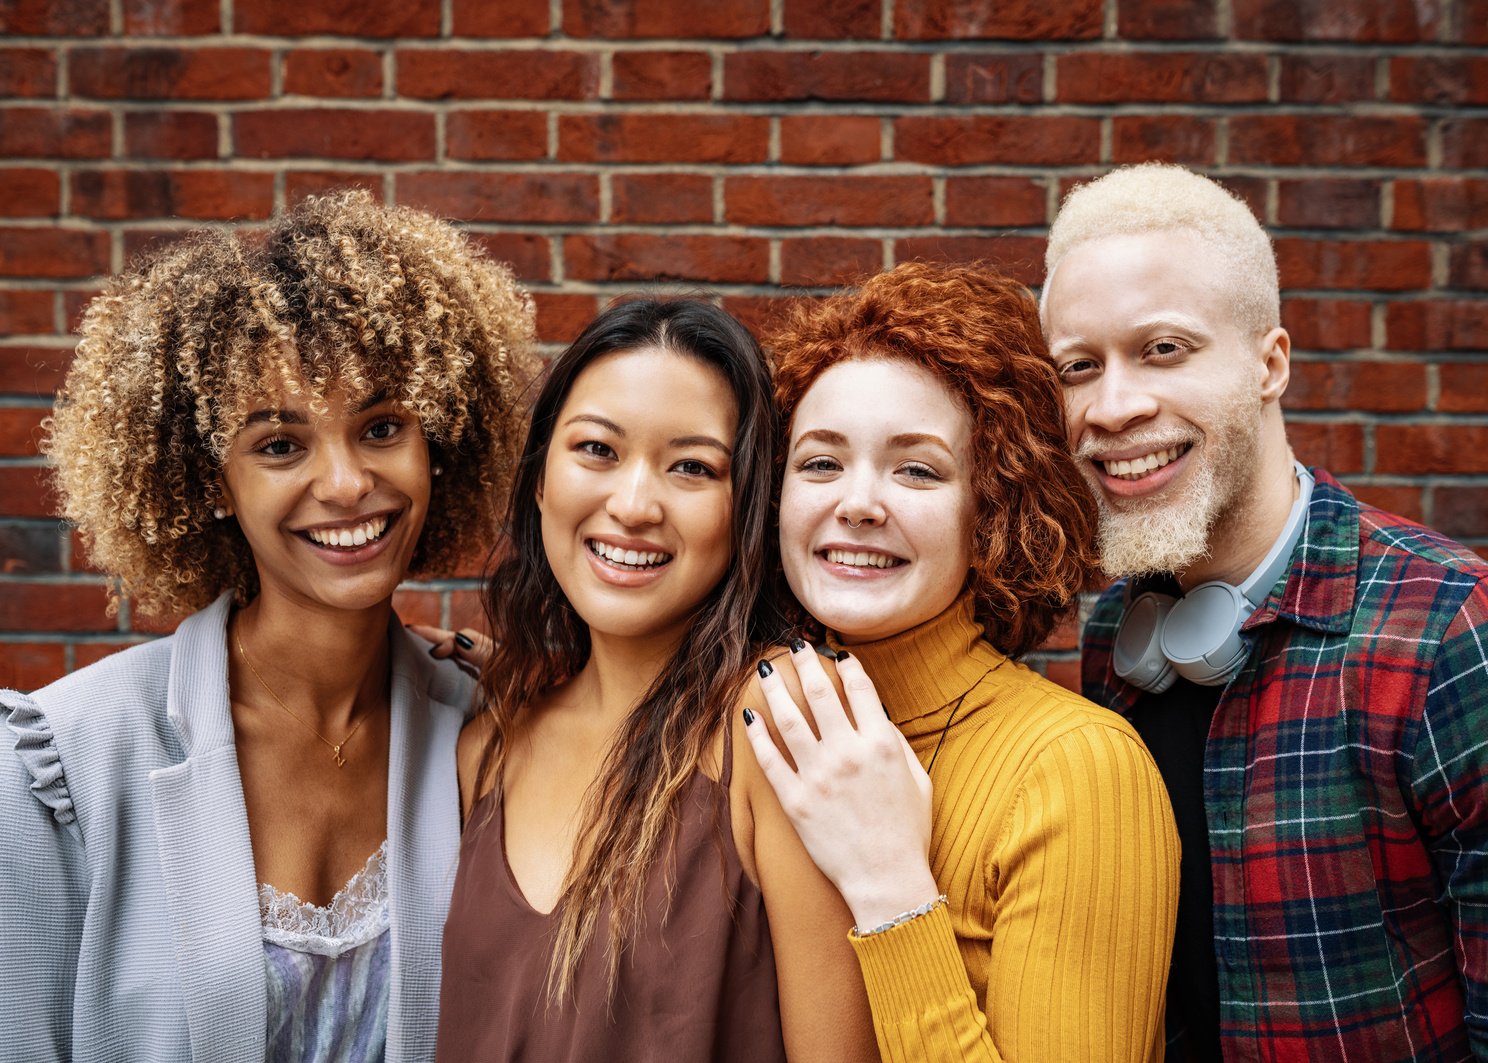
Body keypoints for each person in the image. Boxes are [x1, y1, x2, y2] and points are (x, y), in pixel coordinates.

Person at [0, 189, 532, 1063]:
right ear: (212, 480)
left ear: (436, 440)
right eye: (281, 444)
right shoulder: (61, 767)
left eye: (382, 425)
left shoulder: (492, 731)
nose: (350, 482)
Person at [1041, 162, 1488, 1061]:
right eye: (1079, 366)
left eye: (1164, 348)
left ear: (1269, 362)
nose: (1113, 405)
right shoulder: (1117, 640)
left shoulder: (1448, 626)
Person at [742, 262, 1181, 1061]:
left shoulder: (1077, 770)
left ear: (994, 509)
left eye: (917, 469)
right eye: (819, 462)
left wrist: (891, 886)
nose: (859, 502)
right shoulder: (761, 719)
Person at [434, 299, 877, 1062]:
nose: (634, 504)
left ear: (746, 510)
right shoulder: (484, 751)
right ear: (541, 479)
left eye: (692, 467)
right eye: (598, 450)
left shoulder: (785, 719)